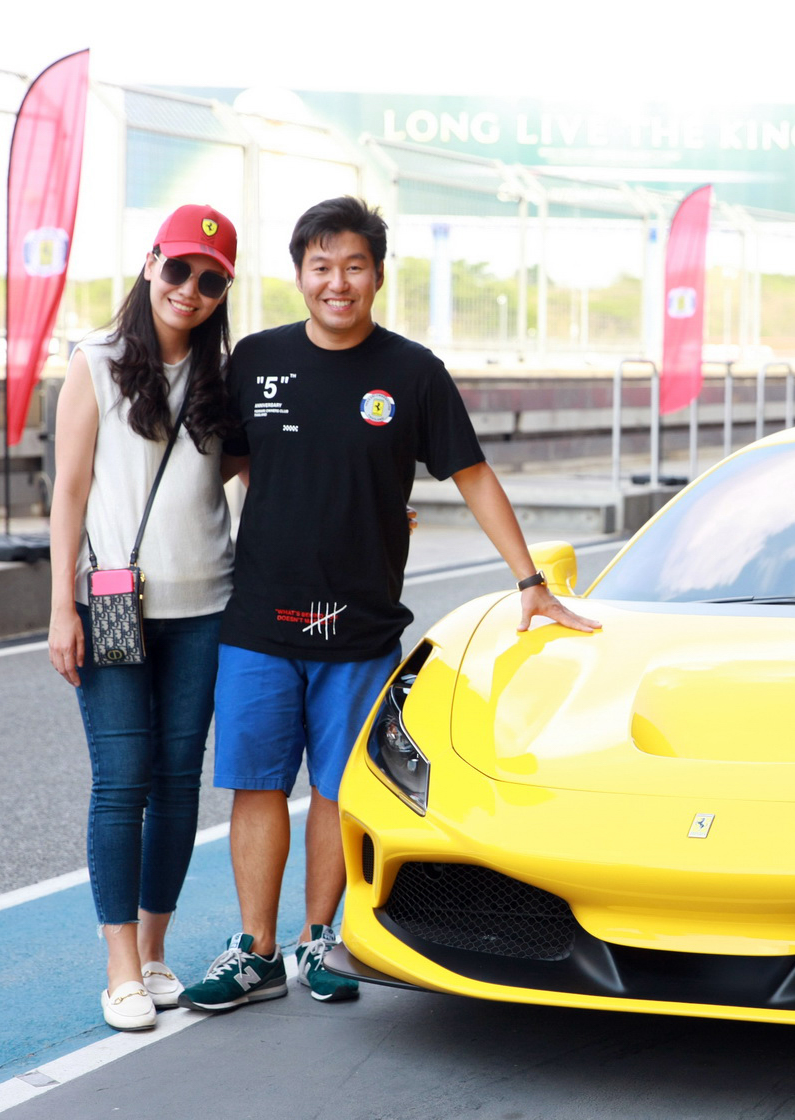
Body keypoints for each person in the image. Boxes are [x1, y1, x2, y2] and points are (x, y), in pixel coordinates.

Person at [179, 195, 598, 1012]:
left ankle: (318, 942)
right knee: (255, 786)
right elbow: (216, 469)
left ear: (377, 274)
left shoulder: (412, 373)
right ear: (299, 273)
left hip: (362, 626)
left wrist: (529, 581)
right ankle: (256, 952)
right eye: (320, 266)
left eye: (354, 266)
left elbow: (472, 474)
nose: (337, 282)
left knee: (340, 790)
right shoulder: (256, 360)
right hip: (259, 621)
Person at [48, 204, 240, 1031]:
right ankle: (120, 965)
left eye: (210, 280)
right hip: (115, 606)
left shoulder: (223, 379)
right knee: (120, 784)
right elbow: (70, 491)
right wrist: (63, 605)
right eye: (179, 270)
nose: (189, 290)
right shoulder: (92, 363)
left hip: (207, 610)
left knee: (176, 787)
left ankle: (156, 952)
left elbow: (260, 469)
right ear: (151, 264)